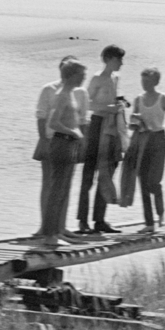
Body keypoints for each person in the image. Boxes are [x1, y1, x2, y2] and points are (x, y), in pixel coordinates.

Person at [33, 56, 88, 237]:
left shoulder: (79, 93)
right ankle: (47, 230)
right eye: (81, 73)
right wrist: (44, 140)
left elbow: (82, 120)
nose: (84, 77)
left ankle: (60, 228)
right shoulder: (52, 90)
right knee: (50, 185)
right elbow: (43, 118)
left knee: (64, 186)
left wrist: (81, 140)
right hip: (52, 140)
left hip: (69, 143)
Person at [76, 45, 127, 234]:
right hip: (97, 125)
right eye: (118, 59)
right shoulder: (98, 78)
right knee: (89, 174)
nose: (121, 63)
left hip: (112, 127)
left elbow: (113, 99)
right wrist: (107, 107)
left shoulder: (116, 78)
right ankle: (82, 221)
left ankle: (100, 220)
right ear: (108, 59)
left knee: (107, 174)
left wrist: (120, 103)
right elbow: (87, 103)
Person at [128, 68, 165, 232]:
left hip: (159, 139)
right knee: (142, 181)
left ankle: (161, 213)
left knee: (153, 181)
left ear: (156, 82)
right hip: (143, 140)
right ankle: (149, 223)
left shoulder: (164, 99)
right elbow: (132, 123)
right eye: (143, 80)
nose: (145, 84)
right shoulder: (138, 99)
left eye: (148, 81)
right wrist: (135, 122)